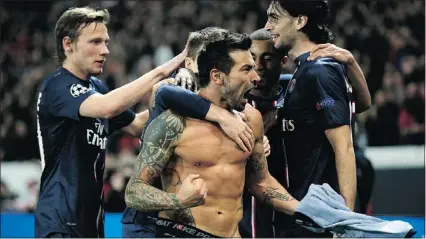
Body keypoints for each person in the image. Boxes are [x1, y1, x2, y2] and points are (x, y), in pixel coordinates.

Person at [35, 7, 254, 238]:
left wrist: (171, 92)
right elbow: (108, 107)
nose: (105, 50)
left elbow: (138, 124)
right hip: (59, 220)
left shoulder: (95, 89)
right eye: (96, 42)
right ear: (68, 44)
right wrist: (169, 69)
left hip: (91, 220)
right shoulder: (57, 87)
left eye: (106, 42)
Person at [124, 31, 301, 238]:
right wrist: (177, 201)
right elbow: (134, 191)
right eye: (246, 69)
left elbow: (260, 182)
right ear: (217, 76)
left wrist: (307, 210)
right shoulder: (174, 121)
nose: (255, 77)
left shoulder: (251, 119)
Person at [240, 28, 371, 237]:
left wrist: (350, 62)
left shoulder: (296, 86)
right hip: (255, 206)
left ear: (282, 61)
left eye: (267, 58)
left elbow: (361, 104)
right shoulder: (238, 100)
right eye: (253, 58)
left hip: (296, 199)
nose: (259, 66)